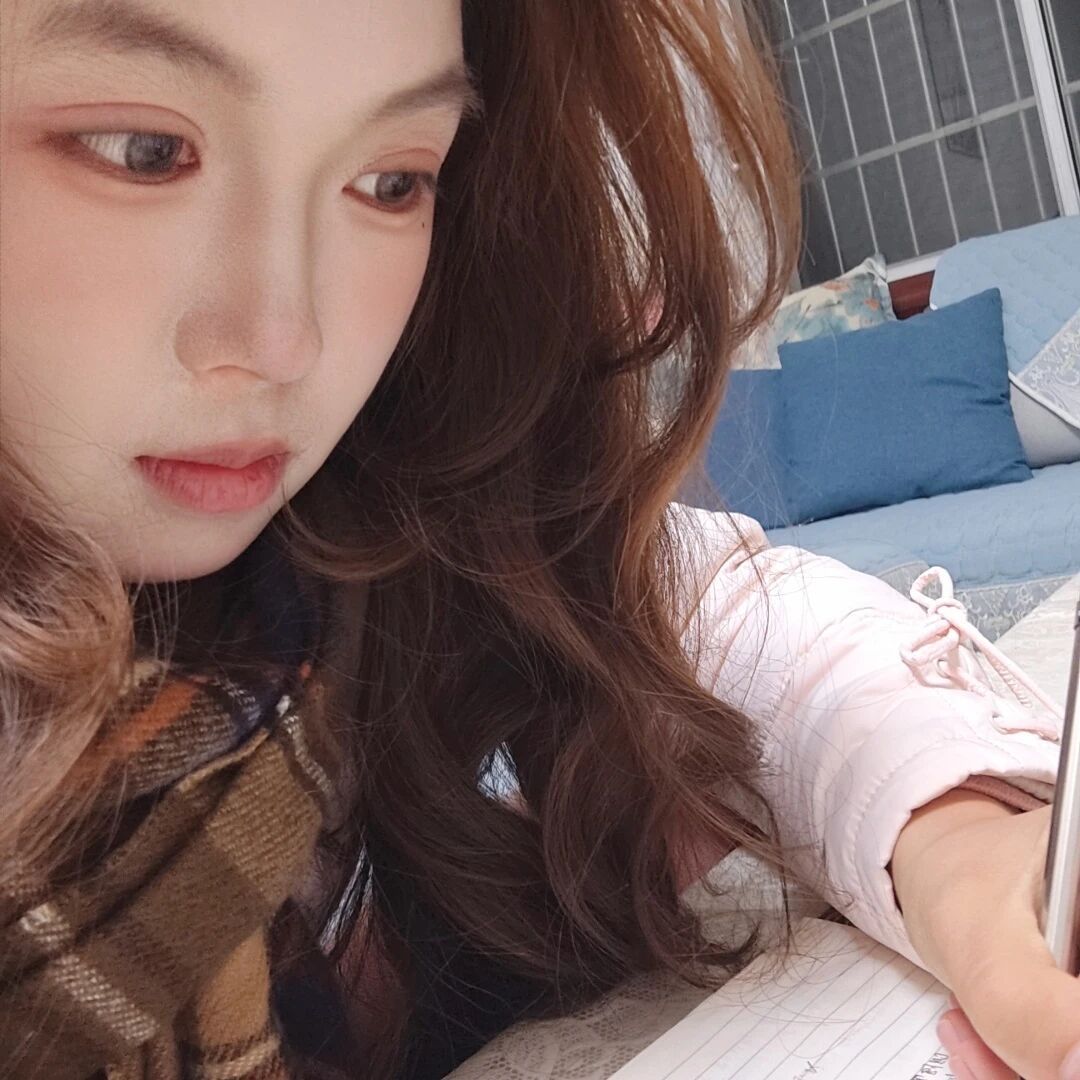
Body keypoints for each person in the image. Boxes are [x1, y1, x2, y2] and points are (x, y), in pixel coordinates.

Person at [0, 2, 1077, 1079]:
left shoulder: (361, 530)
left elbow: (721, 619)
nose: (288, 341)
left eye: (391, 181)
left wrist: (964, 846)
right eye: (143, 153)